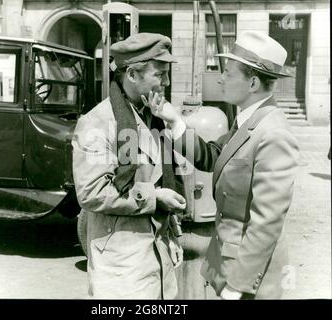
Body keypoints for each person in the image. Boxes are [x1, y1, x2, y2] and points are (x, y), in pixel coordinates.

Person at [146, 30, 300, 299]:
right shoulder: (249, 120)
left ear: (252, 83)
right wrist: (175, 122)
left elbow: (267, 223)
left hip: (250, 278)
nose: (221, 79)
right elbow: (215, 156)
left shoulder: (274, 133)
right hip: (229, 264)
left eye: (229, 73)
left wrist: (238, 284)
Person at [72, 33, 186, 299]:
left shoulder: (152, 116)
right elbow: (91, 192)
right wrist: (155, 198)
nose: (166, 82)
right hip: (122, 266)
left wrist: (172, 235)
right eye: (160, 74)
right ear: (132, 75)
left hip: (159, 257)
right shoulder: (98, 122)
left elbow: (160, 174)